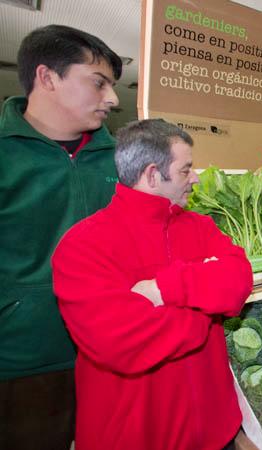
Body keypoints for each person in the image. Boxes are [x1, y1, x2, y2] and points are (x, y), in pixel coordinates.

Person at [51, 119, 253, 450]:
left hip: (217, 433)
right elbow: (122, 341)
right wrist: (204, 313)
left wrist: (164, 289)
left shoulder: (200, 227)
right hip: (134, 438)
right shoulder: (82, 246)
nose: (195, 178)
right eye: (186, 169)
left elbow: (239, 279)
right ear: (152, 175)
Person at [0, 25, 122, 449]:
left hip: (116, 352)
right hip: (27, 362)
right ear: (47, 77)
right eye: (99, 82)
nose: (113, 98)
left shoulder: (120, 160)